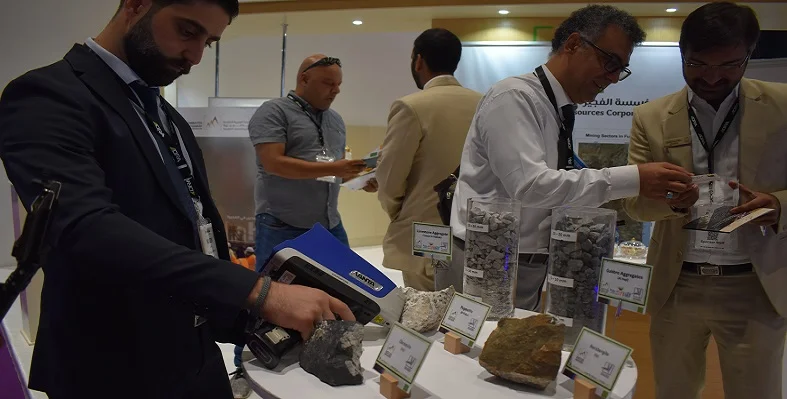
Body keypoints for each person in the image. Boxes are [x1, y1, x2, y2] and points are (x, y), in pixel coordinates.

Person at [0, 1, 355, 398]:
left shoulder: (163, 114)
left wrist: (246, 314)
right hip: (111, 364)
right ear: (136, 6)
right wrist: (258, 293)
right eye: (188, 31)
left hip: (193, 351)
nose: (197, 55)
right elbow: (85, 227)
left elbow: (191, 220)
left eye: (210, 41)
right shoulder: (48, 95)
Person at [439, 4, 695, 311]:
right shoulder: (515, 97)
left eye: (621, 69)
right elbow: (531, 187)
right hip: (486, 259)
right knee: (470, 352)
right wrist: (634, 178)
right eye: (610, 62)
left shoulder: (555, 106)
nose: (613, 78)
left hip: (521, 261)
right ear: (574, 44)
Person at [623, 3, 787, 399]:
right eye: (697, 64)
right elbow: (634, 205)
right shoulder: (651, 116)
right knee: (673, 392)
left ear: (749, 54)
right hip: (676, 284)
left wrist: (777, 204)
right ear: (682, 53)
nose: (712, 77)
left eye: (729, 64)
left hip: (754, 285)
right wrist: (674, 204)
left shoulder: (783, 106)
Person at [231, 53, 367, 396]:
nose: (335, 90)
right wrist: (335, 169)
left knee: (345, 294)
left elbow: (327, 169)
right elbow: (274, 163)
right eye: (327, 83)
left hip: (329, 225)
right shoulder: (273, 112)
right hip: (282, 225)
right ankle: (242, 370)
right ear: (303, 79)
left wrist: (359, 178)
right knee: (265, 301)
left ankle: (326, 358)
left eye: (338, 85)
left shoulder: (335, 120)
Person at [375, 28, 482, 291]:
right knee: (467, 315)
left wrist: (399, 211)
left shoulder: (411, 106)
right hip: (475, 231)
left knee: (425, 320)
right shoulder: (484, 104)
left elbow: (389, 180)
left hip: (426, 232)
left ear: (418, 60)